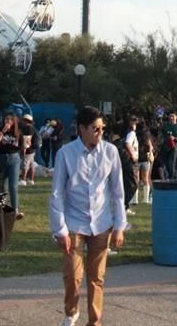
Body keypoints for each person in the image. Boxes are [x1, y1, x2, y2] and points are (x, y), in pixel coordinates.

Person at [49, 106, 126, 326]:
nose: (100, 133)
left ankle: (95, 321)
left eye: (102, 128)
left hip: (102, 222)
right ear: (81, 128)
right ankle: (71, 311)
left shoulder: (110, 152)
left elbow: (118, 191)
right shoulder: (65, 153)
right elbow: (57, 193)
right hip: (74, 222)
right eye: (95, 129)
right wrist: (60, 230)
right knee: (73, 276)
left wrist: (119, 226)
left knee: (97, 277)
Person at [0, 112, 24, 220]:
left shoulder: (18, 132)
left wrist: (21, 157)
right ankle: (2, 209)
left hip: (14, 158)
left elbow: (21, 146)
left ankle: (15, 210)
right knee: (2, 185)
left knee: (13, 186)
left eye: (10, 119)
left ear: (14, 121)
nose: (8, 121)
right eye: (6, 119)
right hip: (1, 157)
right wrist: (2, 132)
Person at [120, 116, 139, 212]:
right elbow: (128, 143)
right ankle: (124, 204)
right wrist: (133, 155)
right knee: (133, 184)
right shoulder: (132, 133)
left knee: (127, 183)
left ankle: (125, 205)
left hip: (126, 160)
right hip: (130, 161)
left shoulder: (126, 133)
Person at [160, 112, 177, 180]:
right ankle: (166, 177)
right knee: (165, 162)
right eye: (170, 116)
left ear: (176, 117)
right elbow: (161, 134)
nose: (171, 118)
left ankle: (172, 177)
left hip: (174, 146)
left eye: (173, 116)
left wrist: (175, 138)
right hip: (165, 146)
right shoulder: (165, 125)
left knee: (171, 162)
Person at [136, 122, 154, 204]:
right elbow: (150, 146)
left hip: (137, 158)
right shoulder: (147, 135)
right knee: (146, 178)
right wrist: (150, 154)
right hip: (145, 159)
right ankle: (146, 198)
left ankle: (135, 198)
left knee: (136, 179)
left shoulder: (135, 135)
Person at [19, 114, 38, 186]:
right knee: (31, 164)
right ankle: (31, 180)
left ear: (26, 120)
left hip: (28, 149)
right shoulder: (32, 127)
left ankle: (23, 180)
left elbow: (27, 140)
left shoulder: (27, 128)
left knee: (25, 165)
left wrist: (24, 149)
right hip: (32, 149)